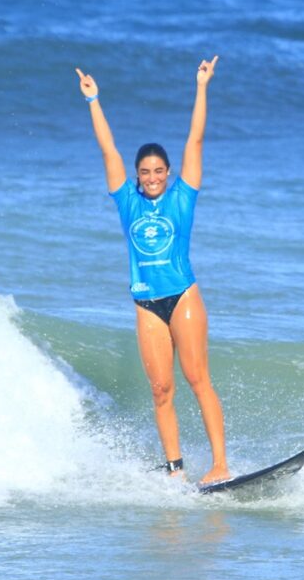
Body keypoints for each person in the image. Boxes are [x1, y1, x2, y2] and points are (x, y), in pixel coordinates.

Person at [75, 56, 229, 485]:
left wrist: (202, 87)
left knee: (198, 379)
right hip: (145, 302)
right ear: (138, 177)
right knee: (161, 390)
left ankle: (220, 464)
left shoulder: (183, 196)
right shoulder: (127, 201)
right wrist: (93, 100)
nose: (152, 178)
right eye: (145, 172)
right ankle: (175, 469)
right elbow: (108, 150)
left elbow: (195, 141)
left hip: (182, 295)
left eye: (159, 171)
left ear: (168, 173)